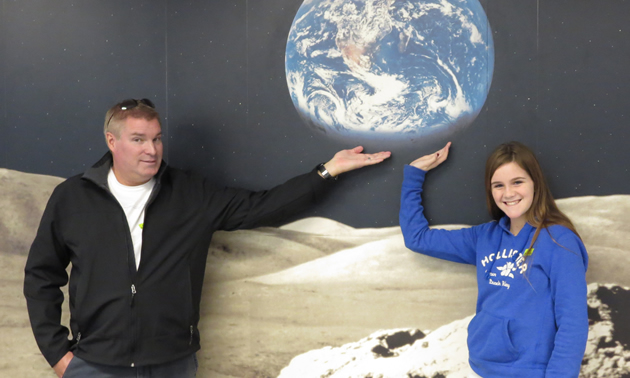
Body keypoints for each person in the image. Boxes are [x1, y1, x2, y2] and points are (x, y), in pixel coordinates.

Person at [24, 98, 391, 378]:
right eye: (138, 140)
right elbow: (42, 276)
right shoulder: (72, 197)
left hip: (172, 364)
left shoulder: (190, 193)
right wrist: (59, 356)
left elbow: (261, 207)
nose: (151, 150)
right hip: (95, 366)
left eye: (156, 139)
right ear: (112, 141)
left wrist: (327, 172)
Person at [400, 141, 588, 377]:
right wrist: (414, 175)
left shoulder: (559, 241)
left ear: (535, 183)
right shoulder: (484, 237)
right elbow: (417, 238)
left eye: (517, 182)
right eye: (498, 185)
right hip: (482, 368)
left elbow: (573, 324)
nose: (508, 193)